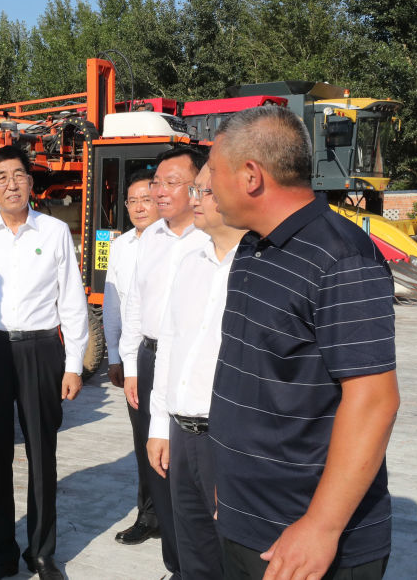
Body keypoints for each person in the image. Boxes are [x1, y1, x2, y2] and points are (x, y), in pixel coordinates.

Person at [207, 106, 399, 580]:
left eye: (213, 171)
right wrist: (229, 479)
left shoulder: (342, 259)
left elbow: (374, 401)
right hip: (245, 517)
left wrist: (321, 526)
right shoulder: (253, 247)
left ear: (250, 175)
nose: (207, 185)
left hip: (306, 542)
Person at [0, 145, 88, 580]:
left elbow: (71, 299)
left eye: (19, 175)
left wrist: (73, 363)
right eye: (2, 178)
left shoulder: (53, 232)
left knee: (42, 452)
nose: (11, 185)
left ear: (31, 182)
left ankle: (42, 553)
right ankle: (1, 553)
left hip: (40, 349)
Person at [144, 162, 246, 579]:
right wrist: (159, 425)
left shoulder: (257, 268)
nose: (196, 199)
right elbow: (169, 345)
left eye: (204, 191)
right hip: (182, 436)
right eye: (196, 190)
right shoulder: (191, 263)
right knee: (193, 557)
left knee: (235, 558)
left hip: (227, 440)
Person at [117, 145, 209, 578]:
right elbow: (135, 304)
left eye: (171, 183)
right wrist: (131, 367)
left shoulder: (212, 238)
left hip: (194, 365)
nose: (159, 192)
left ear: (197, 187)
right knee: (155, 463)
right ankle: (175, 562)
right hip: (150, 358)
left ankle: (199, 564)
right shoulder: (150, 238)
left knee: (191, 468)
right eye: (157, 182)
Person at [101, 168, 160, 542]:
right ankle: (149, 514)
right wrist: (114, 355)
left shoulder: (175, 242)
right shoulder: (121, 246)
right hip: (134, 353)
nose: (139, 207)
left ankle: (178, 518)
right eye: (132, 201)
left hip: (166, 351)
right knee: (142, 437)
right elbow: (113, 303)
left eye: (146, 199)